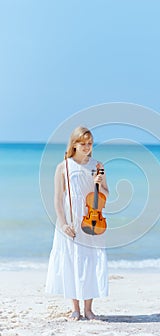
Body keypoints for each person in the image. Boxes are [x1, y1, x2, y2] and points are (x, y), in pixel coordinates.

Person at [45, 126, 109, 320]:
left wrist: (99, 184)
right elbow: (57, 199)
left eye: (90, 144)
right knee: (71, 260)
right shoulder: (63, 167)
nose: (87, 147)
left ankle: (89, 308)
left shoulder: (98, 165)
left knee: (90, 261)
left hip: (92, 218)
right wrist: (63, 224)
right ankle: (75, 308)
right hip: (71, 219)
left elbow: (106, 195)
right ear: (74, 144)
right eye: (83, 144)